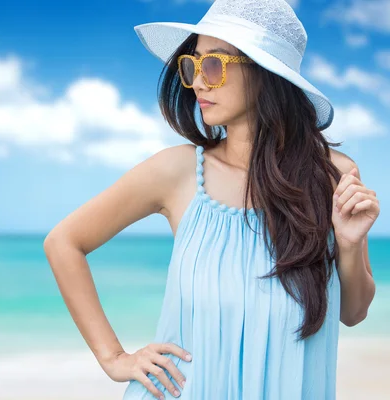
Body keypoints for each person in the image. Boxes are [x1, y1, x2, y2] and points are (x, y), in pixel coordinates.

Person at [43, 0, 380, 398]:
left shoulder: (334, 175)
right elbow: (63, 242)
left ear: (266, 73)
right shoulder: (176, 173)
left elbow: (353, 313)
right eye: (192, 65)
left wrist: (349, 244)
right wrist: (114, 357)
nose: (199, 82)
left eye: (214, 65)